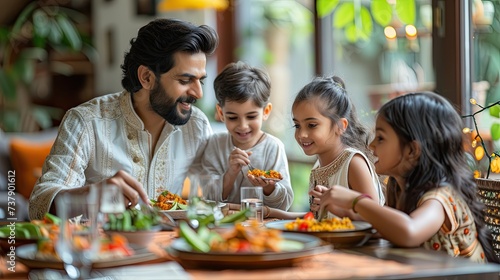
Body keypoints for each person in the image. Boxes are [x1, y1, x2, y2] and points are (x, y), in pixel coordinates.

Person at [28, 18, 219, 220]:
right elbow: (39, 205)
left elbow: (217, 192)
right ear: (146, 77)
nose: (198, 93)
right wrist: (92, 195)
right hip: (99, 249)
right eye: (185, 80)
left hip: (167, 249)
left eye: (201, 81)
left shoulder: (196, 126)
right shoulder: (86, 121)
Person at [312, 92, 498, 263]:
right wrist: (344, 211)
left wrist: (356, 201)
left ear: (412, 150)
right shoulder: (398, 188)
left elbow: (409, 231)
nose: (371, 145)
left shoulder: (439, 198)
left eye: (381, 138)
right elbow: (385, 227)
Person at [201, 61, 294, 210]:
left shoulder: (273, 147)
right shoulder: (215, 144)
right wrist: (230, 173)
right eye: (232, 117)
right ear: (220, 113)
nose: (243, 126)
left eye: (251, 117)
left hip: (261, 227)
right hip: (222, 226)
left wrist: (268, 188)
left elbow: (284, 204)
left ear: (266, 112)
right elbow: (208, 198)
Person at [293, 75, 385, 220]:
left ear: (340, 126)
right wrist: (271, 213)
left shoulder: (353, 163)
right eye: (297, 125)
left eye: (311, 125)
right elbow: (319, 219)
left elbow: (376, 216)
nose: (301, 134)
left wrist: (338, 209)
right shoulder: (318, 167)